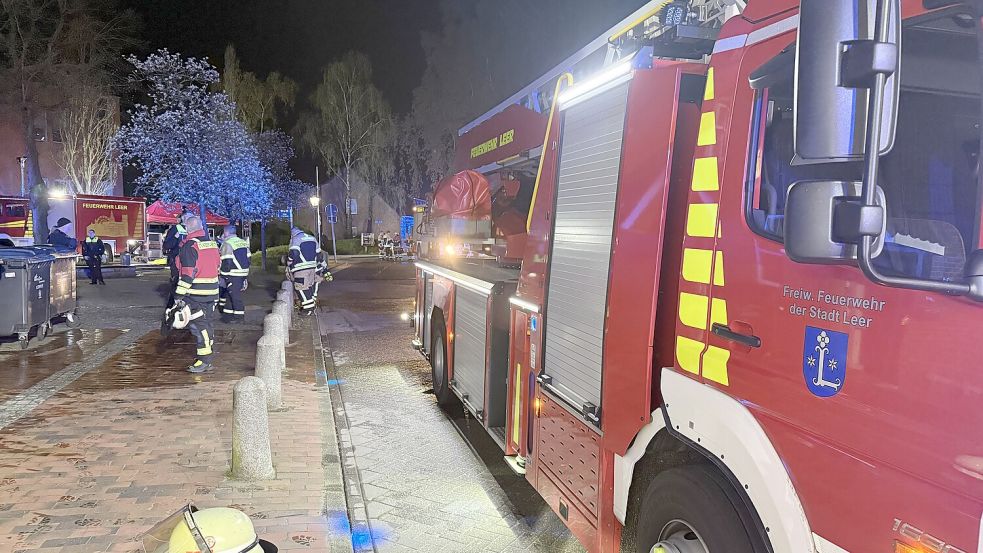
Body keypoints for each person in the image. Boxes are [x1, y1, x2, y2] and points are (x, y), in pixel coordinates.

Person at [172, 215, 220, 373]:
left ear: (187, 228)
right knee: (207, 323)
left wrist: (178, 295)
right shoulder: (212, 244)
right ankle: (209, 354)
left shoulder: (190, 246)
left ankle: (204, 360)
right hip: (212, 292)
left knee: (199, 327)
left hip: (195, 294)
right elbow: (217, 265)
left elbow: (187, 274)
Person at [287, 226, 326, 316]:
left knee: (301, 288)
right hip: (312, 268)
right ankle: (311, 307)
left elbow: (294, 253)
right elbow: (319, 255)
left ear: (293, 234)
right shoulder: (312, 238)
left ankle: (308, 309)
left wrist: (289, 262)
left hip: (300, 268)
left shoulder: (296, 239)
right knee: (308, 287)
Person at [218, 225, 250, 324]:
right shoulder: (242, 242)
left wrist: (223, 274)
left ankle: (239, 317)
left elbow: (226, 261)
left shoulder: (227, 244)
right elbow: (249, 258)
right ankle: (227, 315)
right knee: (229, 293)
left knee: (235, 296)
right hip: (242, 272)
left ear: (226, 232)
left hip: (232, 273)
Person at [162, 209, 190, 307]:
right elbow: (167, 245)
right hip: (177, 262)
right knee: (177, 283)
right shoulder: (176, 229)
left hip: (190, 262)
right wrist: (175, 237)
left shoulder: (194, 229)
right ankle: (171, 306)